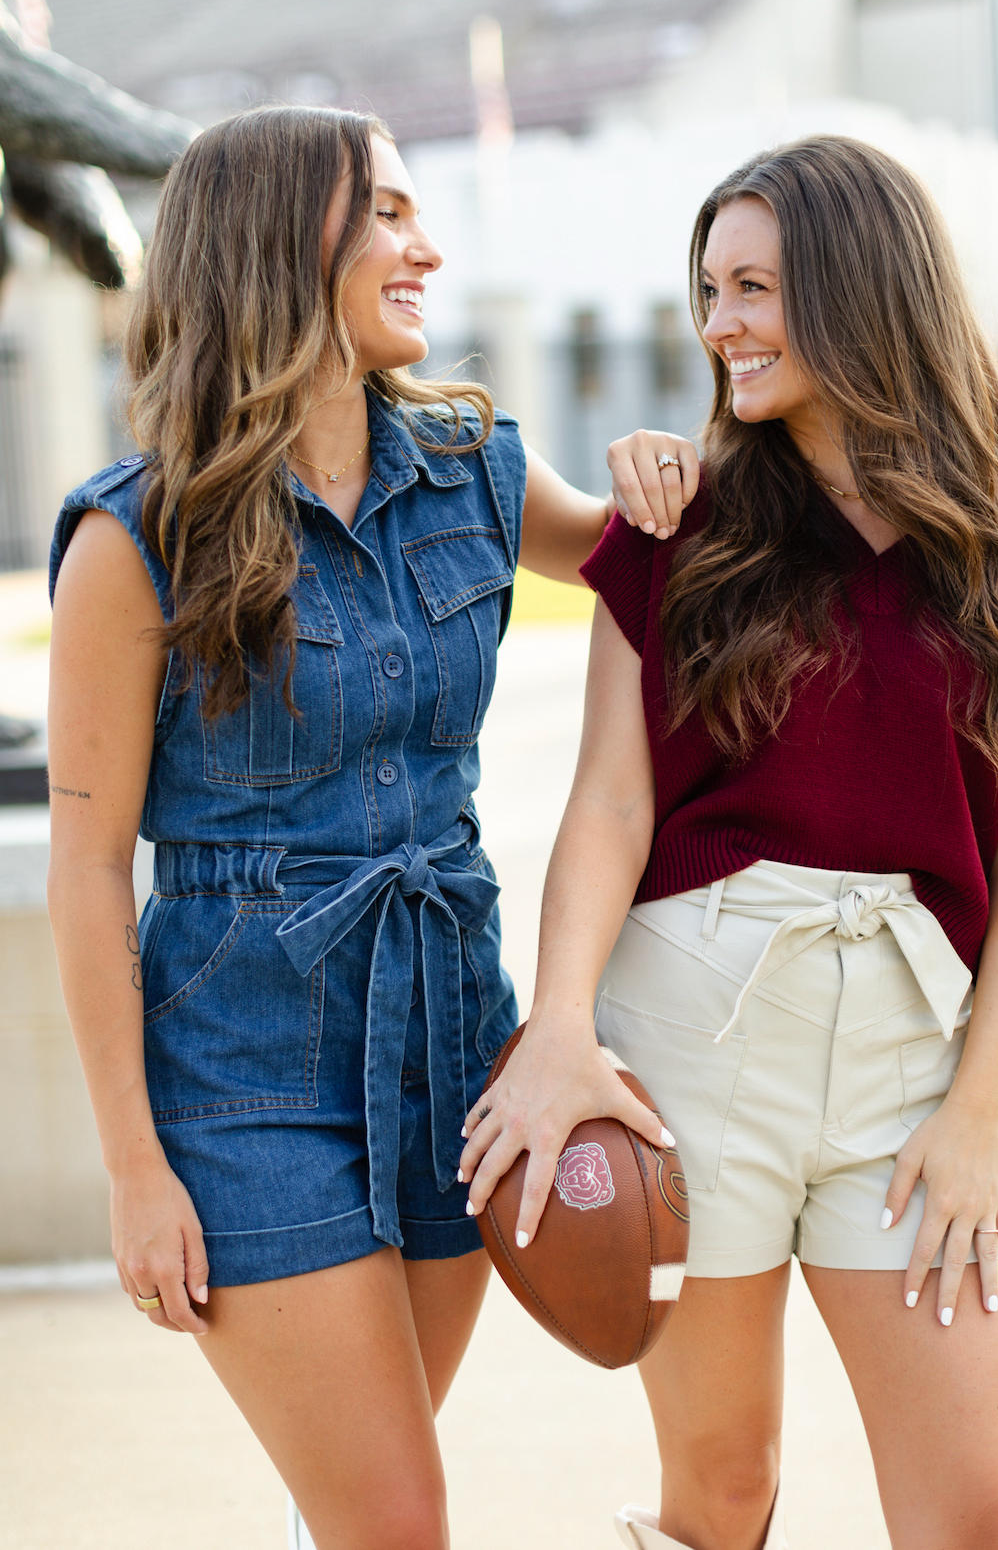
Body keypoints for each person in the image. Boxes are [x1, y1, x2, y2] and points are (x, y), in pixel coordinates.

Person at [459, 136, 998, 1550]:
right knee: (723, 1495)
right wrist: (562, 1030)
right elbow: (610, 803)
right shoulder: (682, 525)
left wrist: (976, 1118)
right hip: (691, 1048)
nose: (721, 327)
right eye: (709, 291)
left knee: (982, 1517)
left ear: (860, 285)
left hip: (908, 1066)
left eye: (756, 287)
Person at [45, 104, 697, 1550]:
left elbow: (658, 572)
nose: (429, 246)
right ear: (288, 245)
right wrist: (134, 1169)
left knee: (358, 1505)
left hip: (460, 1046)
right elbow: (88, 872)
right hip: (244, 1069)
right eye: (390, 214)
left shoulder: (472, 469)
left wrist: (667, 472)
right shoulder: (136, 536)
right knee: (398, 1520)